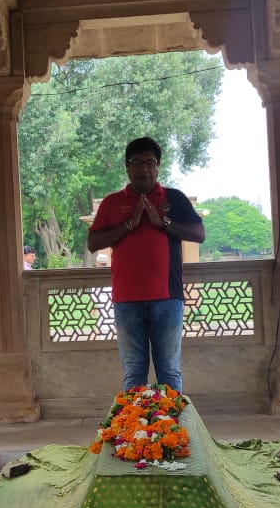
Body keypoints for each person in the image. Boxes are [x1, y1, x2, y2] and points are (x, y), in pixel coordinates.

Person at [87, 136, 205, 393]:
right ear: (127, 167)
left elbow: (199, 234)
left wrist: (162, 222)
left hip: (167, 299)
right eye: (137, 162)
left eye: (150, 163)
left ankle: (171, 429)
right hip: (127, 301)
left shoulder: (174, 198)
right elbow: (93, 242)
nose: (144, 169)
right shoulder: (112, 203)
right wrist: (129, 223)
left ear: (158, 166)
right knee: (133, 372)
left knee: (169, 371)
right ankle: (135, 432)